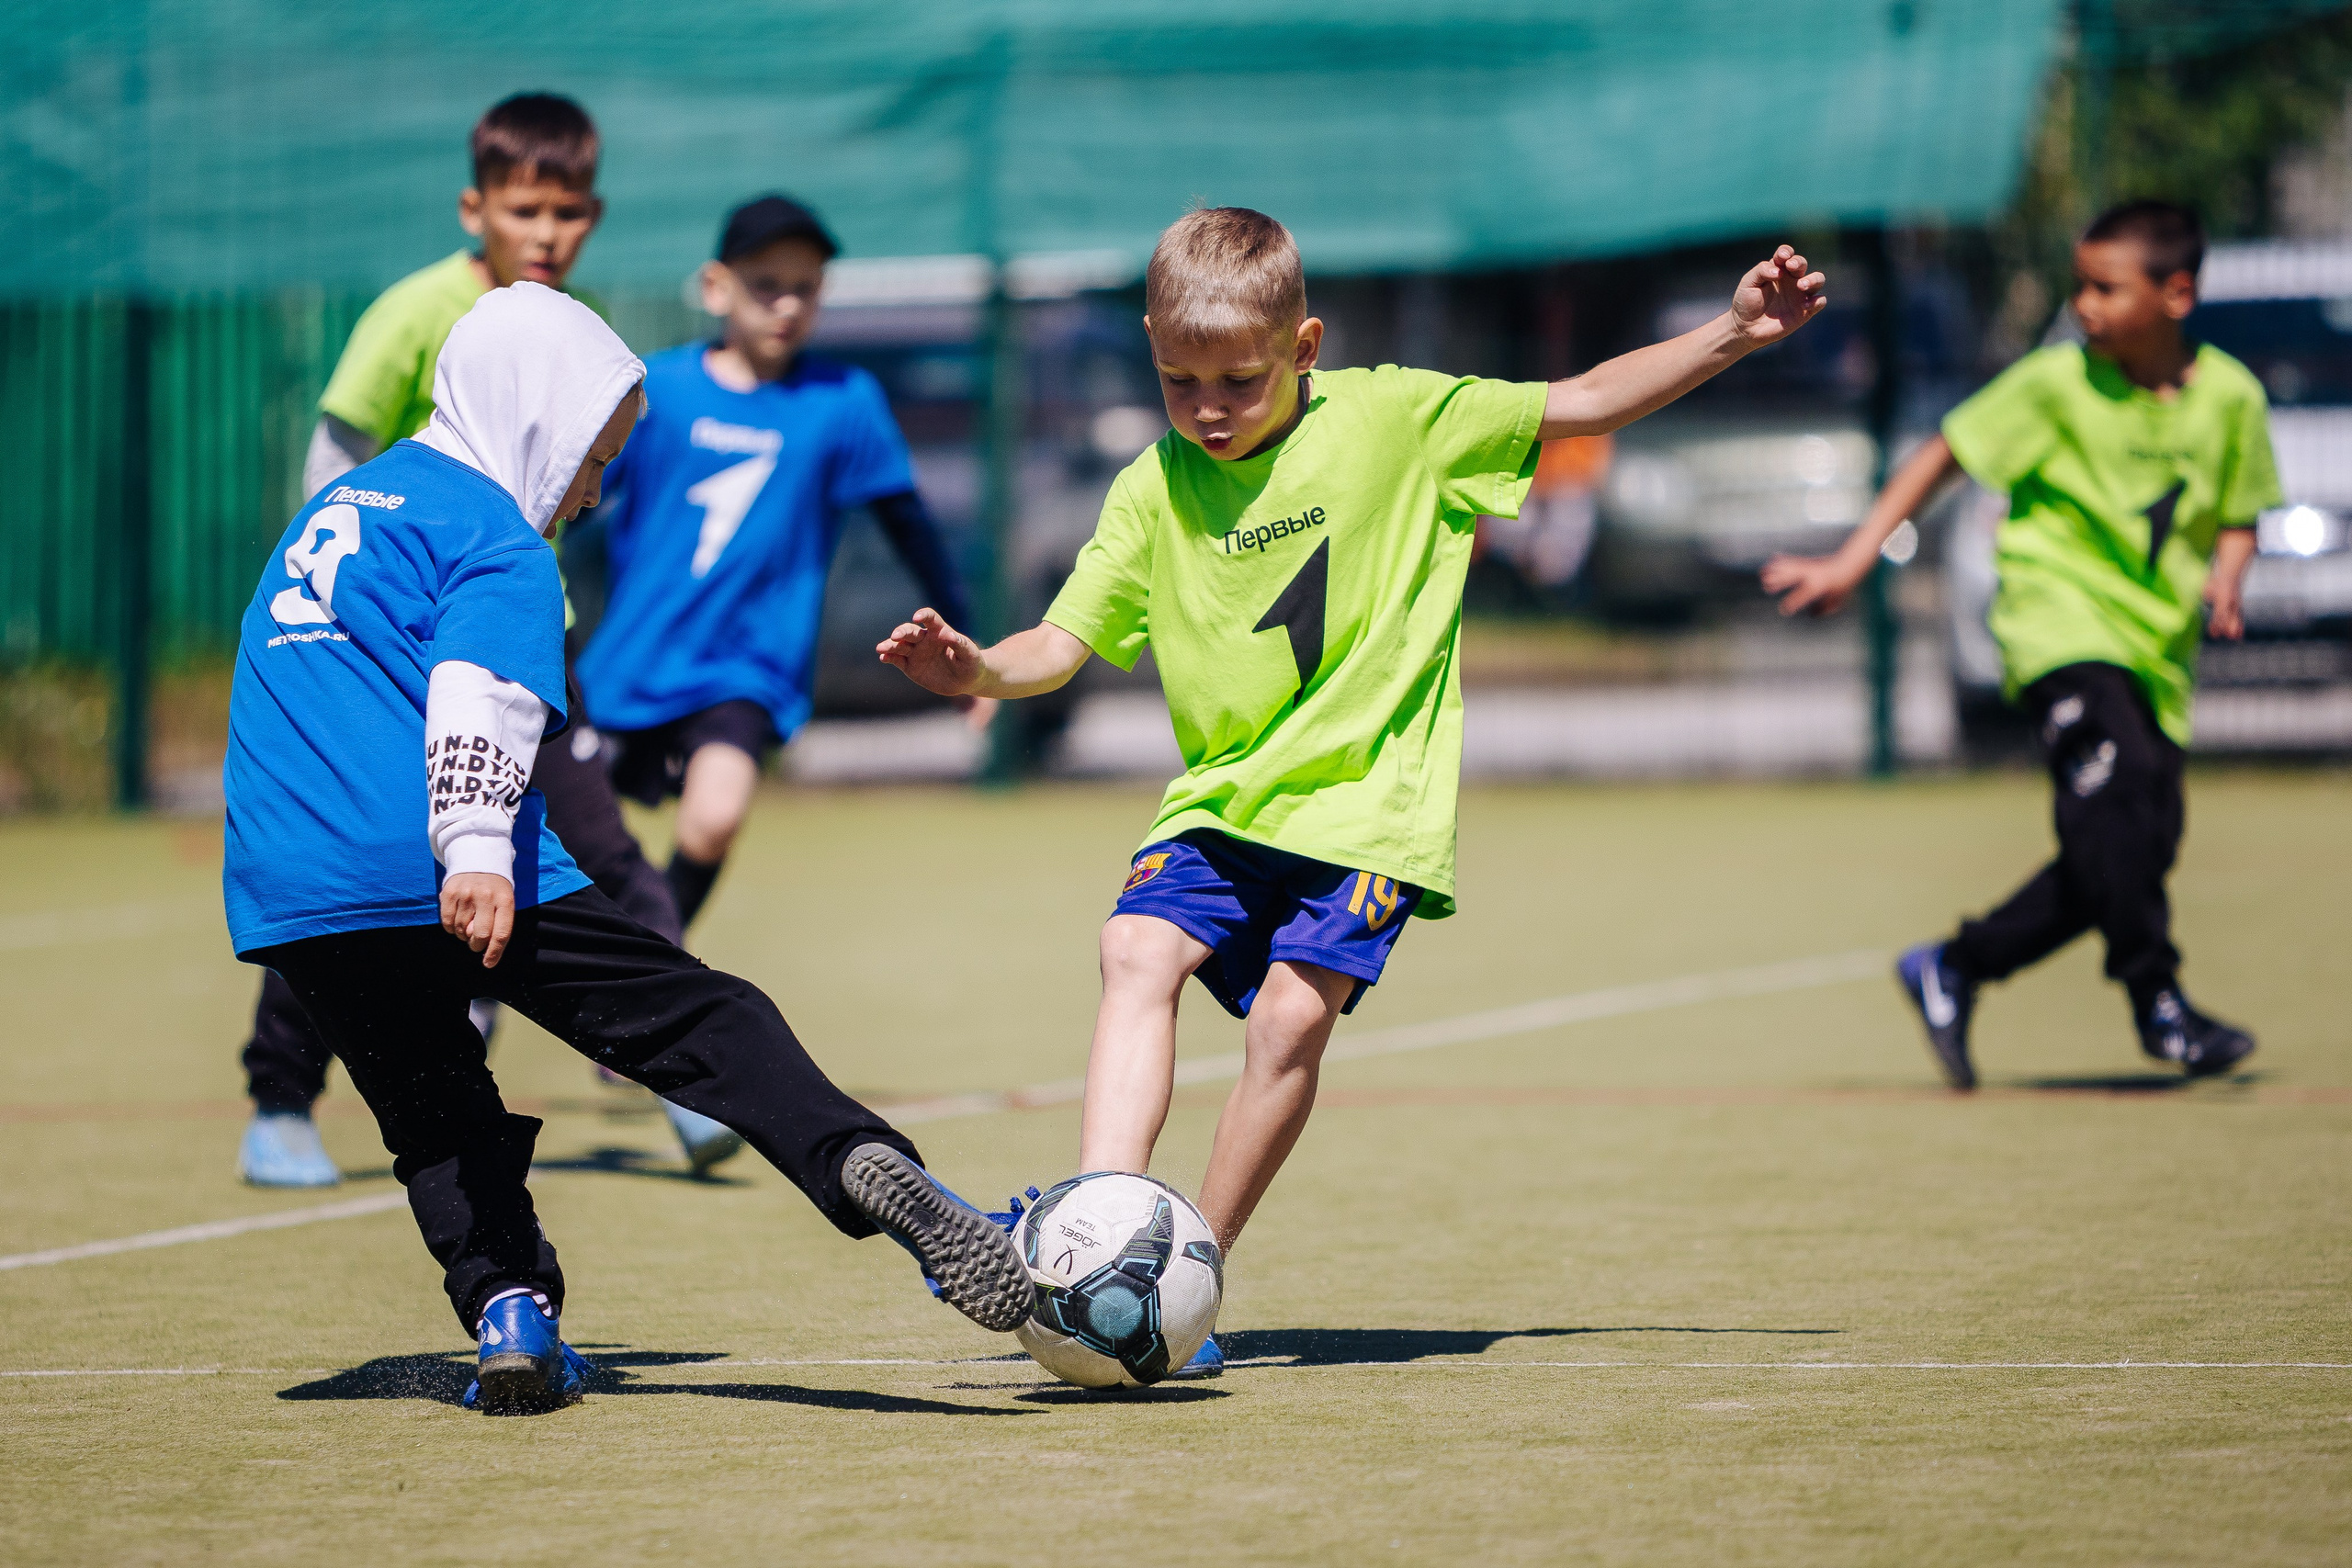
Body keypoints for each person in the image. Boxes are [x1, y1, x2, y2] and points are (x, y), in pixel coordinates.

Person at [880, 207, 1825, 1376]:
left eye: (1237, 379)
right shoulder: (1150, 488)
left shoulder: (1397, 418)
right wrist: (972, 667)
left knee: (1287, 1019)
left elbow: (1582, 399)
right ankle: (1098, 1232)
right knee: (1133, 951)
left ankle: (1185, 1279)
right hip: (1227, 801)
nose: (1208, 407)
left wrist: (1731, 333)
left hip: (1373, 807)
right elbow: (1060, 646)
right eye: (1179, 381)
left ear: (1306, 345)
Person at [222, 283, 1027, 1413]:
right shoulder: (494, 534)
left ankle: (511, 1315)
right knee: (702, 1019)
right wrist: (473, 852)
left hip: (293, 885)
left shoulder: (337, 510)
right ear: (534, 417)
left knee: (435, 1113)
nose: (593, 492)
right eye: (592, 454)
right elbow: (480, 694)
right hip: (431, 853)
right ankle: (865, 1167)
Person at [235, 92, 737, 1187]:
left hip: (522, 648)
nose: (548, 233)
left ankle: (679, 1076)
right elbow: (340, 448)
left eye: (569, 212)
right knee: (365, 884)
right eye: (525, 209)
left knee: (610, 857)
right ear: (477, 208)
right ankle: (278, 1099)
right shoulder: (418, 310)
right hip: (394, 658)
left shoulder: (572, 319)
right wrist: (343, 601)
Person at [1762, 200, 2274, 1089]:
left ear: (2177, 293)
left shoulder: (2232, 396)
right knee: (2113, 811)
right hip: (2057, 626)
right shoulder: (2052, 384)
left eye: (2105, 289)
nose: (2083, 305)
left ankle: (1954, 967)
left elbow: (2238, 516)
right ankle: (2160, 1005)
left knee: (2127, 848)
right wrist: (1853, 561)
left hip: (2157, 651)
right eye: (2077, 285)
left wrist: (2229, 573)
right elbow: (1940, 454)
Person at [571, 194, 983, 933]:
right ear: (715, 286)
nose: (787, 303)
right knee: (558, 834)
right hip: (629, 664)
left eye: (807, 286)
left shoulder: (844, 401)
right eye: (767, 284)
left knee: (714, 819)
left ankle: (641, 1005)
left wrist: (967, 648)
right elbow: (571, 503)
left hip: (746, 669)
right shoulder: (655, 389)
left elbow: (909, 526)